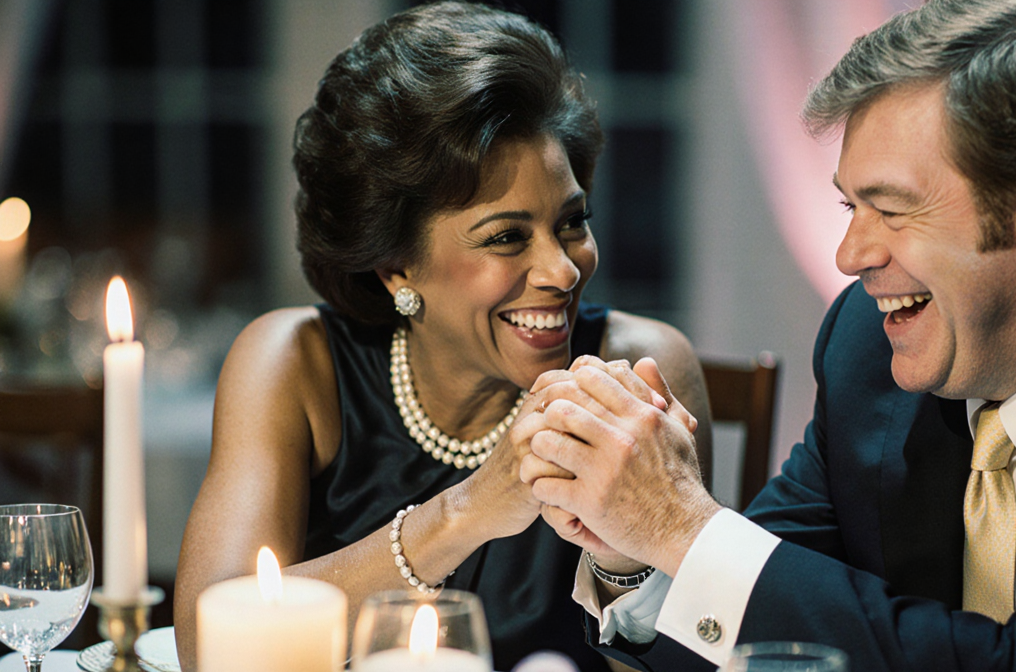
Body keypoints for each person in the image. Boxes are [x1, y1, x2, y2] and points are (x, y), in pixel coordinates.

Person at [521, 1, 1016, 670]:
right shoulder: (868, 352)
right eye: (852, 206)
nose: (850, 255)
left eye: (892, 209)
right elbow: (769, 612)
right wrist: (633, 547)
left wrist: (681, 528)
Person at [173, 3, 712, 671]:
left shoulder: (637, 369)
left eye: (572, 222)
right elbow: (207, 644)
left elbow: (692, 658)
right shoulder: (292, 362)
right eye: (507, 237)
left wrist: (628, 565)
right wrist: (466, 511)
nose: (564, 269)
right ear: (396, 264)